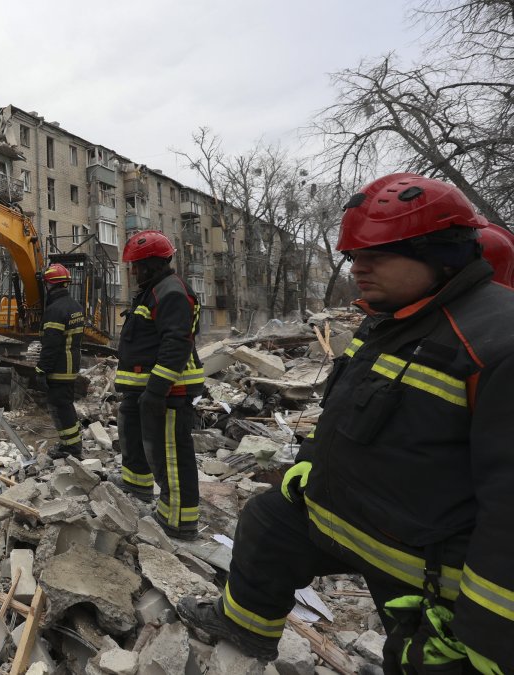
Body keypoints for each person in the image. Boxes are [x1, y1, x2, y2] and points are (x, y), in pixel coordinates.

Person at [177, 174, 514, 673]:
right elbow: (344, 406)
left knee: (422, 660)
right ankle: (245, 625)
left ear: (440, 254)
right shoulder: (389, 320)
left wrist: (487, 632)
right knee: (269, 522)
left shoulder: (496, 342)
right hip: (350, 518)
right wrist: (311, 464)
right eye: (354, 255)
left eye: (376, 255)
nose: (358, 268)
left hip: (422, 562)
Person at [112, 230, 205, 540]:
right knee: (139, 440)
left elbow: (176, 343)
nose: (133, 272)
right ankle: (137, 485)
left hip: (170, 390)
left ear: (151, 264)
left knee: (172, 456)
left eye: (137, 266)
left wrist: (156, 390)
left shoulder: (171, 291)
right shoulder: (154, 290)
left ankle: (178, 521)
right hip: (147, 388)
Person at [37, 263, 86, 460]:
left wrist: (41, 369)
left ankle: (71, 448)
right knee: (66, 405)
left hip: (59, 368)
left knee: (60, 408)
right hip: (71, 365)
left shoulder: (55, 310)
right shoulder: (75, 306)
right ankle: (71, 444)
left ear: (50, 285)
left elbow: (51, 345)